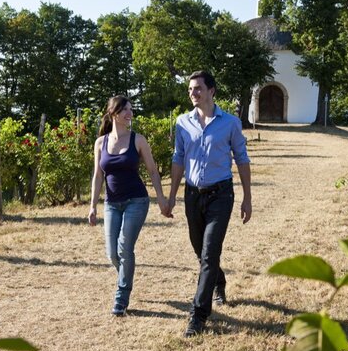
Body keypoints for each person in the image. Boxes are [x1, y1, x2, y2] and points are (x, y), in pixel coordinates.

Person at [163, 70, 251, 337]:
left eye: (198, 88)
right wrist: (171, 196)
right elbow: (178, 159)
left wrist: (248, 197)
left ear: (212, 91)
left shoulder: (231, 123)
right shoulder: (182, 123)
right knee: (200, 251)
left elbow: (242, 159)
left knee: (210, 253)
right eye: (190, 89)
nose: (193, 93)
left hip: (221, 195)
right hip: (193, 195)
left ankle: (198, 315)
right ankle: (218, 281)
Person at [89, 95, 168, 316]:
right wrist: (92, 205)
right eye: (125, 110)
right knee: (112, 254)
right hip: (112, 204)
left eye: (131, 110)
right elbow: (97, 175)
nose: (130, 114)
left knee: (125, 248)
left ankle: (121, 299)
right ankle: (126, 274)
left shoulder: (138, 139)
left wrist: (161, 198)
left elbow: (153, 170)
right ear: (113, 113)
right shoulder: (100, 143)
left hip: (137, 200)